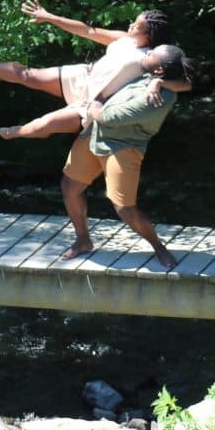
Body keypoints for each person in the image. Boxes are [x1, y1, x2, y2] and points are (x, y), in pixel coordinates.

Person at [0, 0, 190, 139]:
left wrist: (160, 82)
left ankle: (18, 132)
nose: (130, 26)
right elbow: (87, 31)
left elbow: (186, 83)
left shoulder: (155, 58)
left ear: (150, 35)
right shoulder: (123, 38)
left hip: (94, 103)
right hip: (84, 76)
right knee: (26, 74)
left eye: (136, 26)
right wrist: (49, 16)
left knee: (44, 125)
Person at [58, 44, 196, 268]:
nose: (146, 53)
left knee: (124, 208)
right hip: (93, 137)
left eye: (151, 54)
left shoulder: (155, 100)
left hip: (122, 146)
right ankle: (83, 240)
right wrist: (156, 80)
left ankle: (158, 246)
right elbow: (186, 83)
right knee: (69, 187)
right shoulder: (149, 73)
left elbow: (106, 117)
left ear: (160, 69)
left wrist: (95, 100)